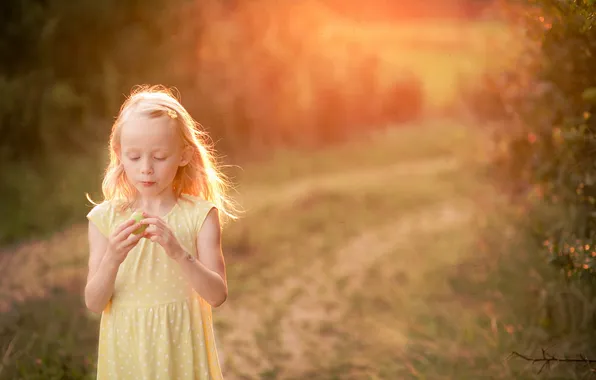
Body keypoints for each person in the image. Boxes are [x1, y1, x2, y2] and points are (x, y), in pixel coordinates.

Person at [84, 85, 238, 379]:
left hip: (181, 352)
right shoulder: (105, 219)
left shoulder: (200, 215)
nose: (146, 169)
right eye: (134, 156)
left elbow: (217, 295)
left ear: (183, 155)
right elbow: (94, 302)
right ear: (118, 154)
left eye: (159, 156)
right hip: (128, 354)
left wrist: (179, 253)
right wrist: (113, 258)